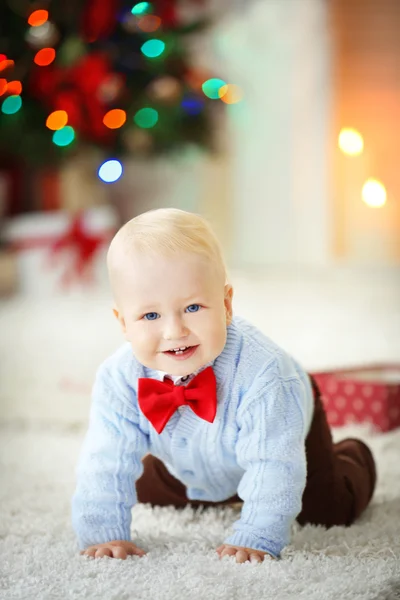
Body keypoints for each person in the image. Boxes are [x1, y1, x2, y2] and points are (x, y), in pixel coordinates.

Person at [72, 208, 376, 564]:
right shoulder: (117, 379)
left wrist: (258, 535)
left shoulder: (266, 375)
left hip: (281, 423)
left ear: (227, 304)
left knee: (326, 509)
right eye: (150, 315)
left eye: (193, 307)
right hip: (195, 453)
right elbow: (105, 461)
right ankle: (209, 482)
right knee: (142, 487)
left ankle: (356, 454)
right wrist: (104, 535)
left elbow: (273, 465)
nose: (174, 331)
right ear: (123, 322)